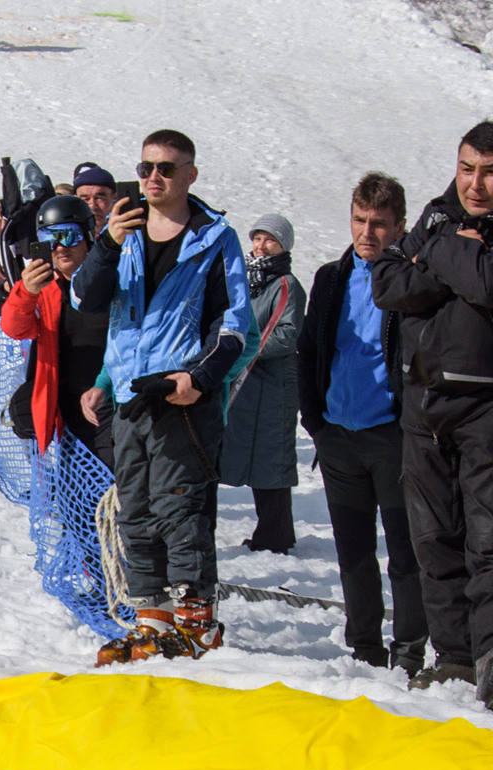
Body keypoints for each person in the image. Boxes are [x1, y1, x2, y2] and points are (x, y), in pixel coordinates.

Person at [73, 128, 250, 664]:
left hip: (180, 397)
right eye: (147, 167)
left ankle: (196, 621)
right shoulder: (121, 233)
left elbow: (236, 326)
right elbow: (88, 300)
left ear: (190, 175)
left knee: (180, 509)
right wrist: (106, 245)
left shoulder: (215, 238)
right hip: (129, 395)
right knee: (136, 512)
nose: (154, 177)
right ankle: (151, 619)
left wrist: (197, 379)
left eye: (167, 168)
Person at [371, 122, 493, 702]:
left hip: (486, 405)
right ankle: (455, 657)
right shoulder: (438, 214)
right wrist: (454, 257)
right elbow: (388, 282)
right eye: (468, 168)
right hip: (423, 403)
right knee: (434, 539)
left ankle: (490, 658)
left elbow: (489, 284)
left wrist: (439, 253)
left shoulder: (438, 233)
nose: (476, 184)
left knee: (487, 540)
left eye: (490, 172)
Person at [298, 173, 427, 675]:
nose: (366, 232)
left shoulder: (410, 279)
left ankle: (411, 649)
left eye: (378, 224)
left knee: (405, 551)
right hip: (338, 436)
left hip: (392, 438)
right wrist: (315, 419)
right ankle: (365, 646)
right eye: (359, 220)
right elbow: (309, 350)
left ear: (399, 227)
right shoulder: (331, 276)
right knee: (353, 551)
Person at [0, 194, 111, 465]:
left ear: (87, 236)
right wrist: (26, 292)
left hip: (110, 401)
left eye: (69, 236)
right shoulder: (44, 288)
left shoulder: (111, 279)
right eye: (51, 239)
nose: (60, 248)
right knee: (77, 493)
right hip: (66, 410)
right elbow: (14, 328)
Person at [221, 214, 305, 554]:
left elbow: (285, 335)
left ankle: (276, 534)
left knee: (272, 461)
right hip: (247, 385)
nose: (260, 245)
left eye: (269, 239)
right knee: (249, 455)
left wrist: (244, 347)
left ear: (283, 246)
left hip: (273, 389)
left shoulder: (286, 284)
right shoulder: (246, 282)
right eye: (257, 238)